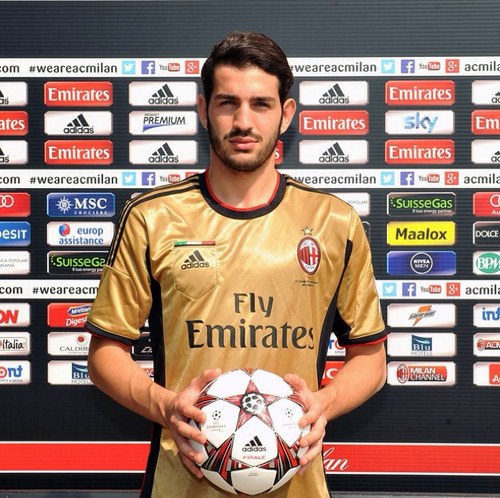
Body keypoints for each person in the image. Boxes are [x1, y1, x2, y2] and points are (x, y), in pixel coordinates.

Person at [86, 31, 387, 498]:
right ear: (203, 109)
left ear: (286, 113)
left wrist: (323, 404)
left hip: (297, 483)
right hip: (179, 484)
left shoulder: (334, 221)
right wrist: (167, 407)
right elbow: (105, 355)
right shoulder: (151, 217)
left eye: (261, 104)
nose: (243, 122)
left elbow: (370, 359)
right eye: (228, 103)